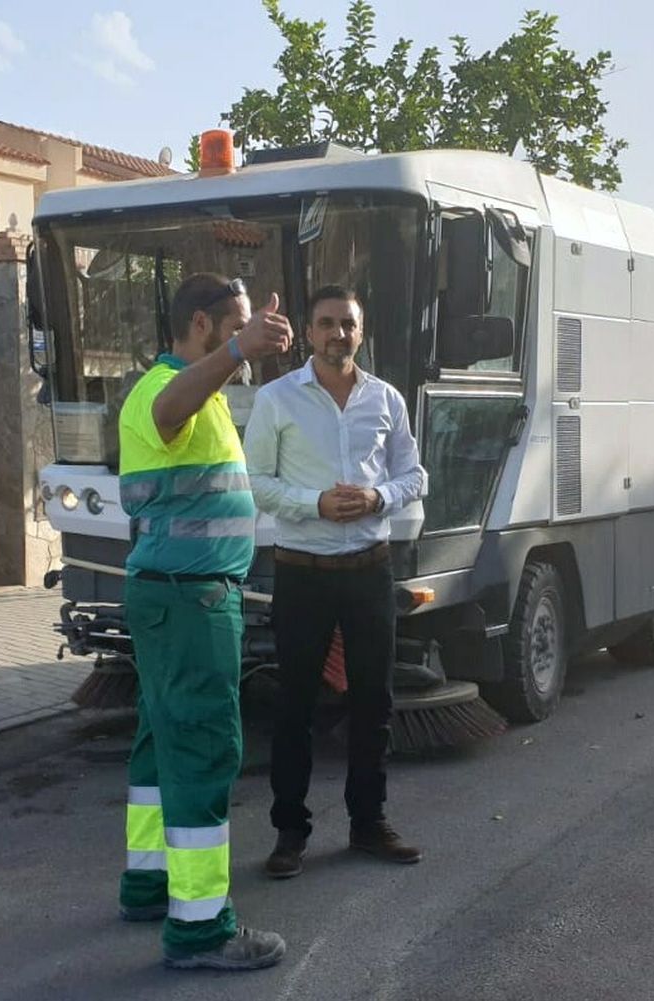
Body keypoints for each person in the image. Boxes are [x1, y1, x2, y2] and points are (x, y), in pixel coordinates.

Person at [116, 273, 292, 971]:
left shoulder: (201, 391)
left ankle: (149, 880)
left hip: (181, 596)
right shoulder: (169, 388)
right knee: (202, 748)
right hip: (190, 601)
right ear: (200, 324)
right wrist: (237, 353)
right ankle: (199, 929)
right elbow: (169, 407)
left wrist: (235, 353)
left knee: (163, 743)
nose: (249, 338)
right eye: (236, 325)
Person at [242, 284, 428, 879]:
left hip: (370, 571)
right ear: (309, 330)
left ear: (360, 331)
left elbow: (413, 474)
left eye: (347, 324)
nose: (336, 334)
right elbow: (257, 482)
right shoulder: (276, 400)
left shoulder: (386, 399)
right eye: (326, 323)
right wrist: (314, 504)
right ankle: (289, 834)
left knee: (374, 702)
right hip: (304, 574)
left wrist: (378, 496)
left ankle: (368, 823)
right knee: (295, 707)